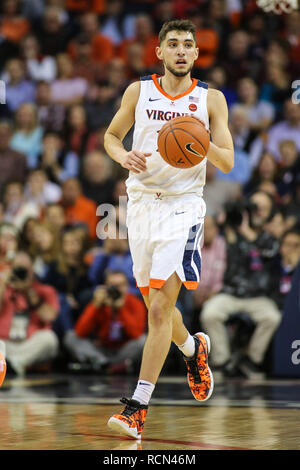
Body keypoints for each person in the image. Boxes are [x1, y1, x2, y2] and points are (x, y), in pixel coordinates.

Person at [104, 19, 234, 439]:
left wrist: (198, 139)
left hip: (184, 208)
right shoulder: (137, 92)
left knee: (160, 309)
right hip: (140, 204)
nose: (181, 51)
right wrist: (122, 156)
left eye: (188, 45)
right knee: (154, 307)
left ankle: (137, 408)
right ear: (159, 52)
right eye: (173, 44)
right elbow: (110, 135)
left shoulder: (210, 99)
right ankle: (193, 350)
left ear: (197, 55)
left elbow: (227, 162)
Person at [201, 191, 281, 379]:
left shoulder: (269, 237)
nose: (257, 211)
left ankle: (251, 359)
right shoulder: (231, 232)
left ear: (269, 213)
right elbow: (217, 246)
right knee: (210, 313)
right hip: (230, 293)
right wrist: (227, 223)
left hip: (258, 296)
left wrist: (246, 231)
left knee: (272, 317)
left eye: (262, 208)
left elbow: (269, 252)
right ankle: (222, 360)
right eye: (254, 206)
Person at [64, 270, 147, 373]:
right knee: (70, 337)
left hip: (124, 350)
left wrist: (121, 309)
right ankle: (106, 364)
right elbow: (80, 332)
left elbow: (136, 334)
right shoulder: (99, 302)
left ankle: (103, 365)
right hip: (101, 349)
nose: (117, 290)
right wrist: (96, 305)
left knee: (143, 340)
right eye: (113, 286)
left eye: (120, 285)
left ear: (126, 286)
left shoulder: (135, 303)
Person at [0, 251, 59, 376]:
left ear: (32, 270)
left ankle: (13, 364)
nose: (20, 273)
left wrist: (29, 291)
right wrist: (3, 283)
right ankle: (13, 363)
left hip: (30, 344)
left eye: (24, 269)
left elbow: (50, 316)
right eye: (17, 269)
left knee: (50, 339)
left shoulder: (44, 290)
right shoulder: (4, 289)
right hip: (5, 343)